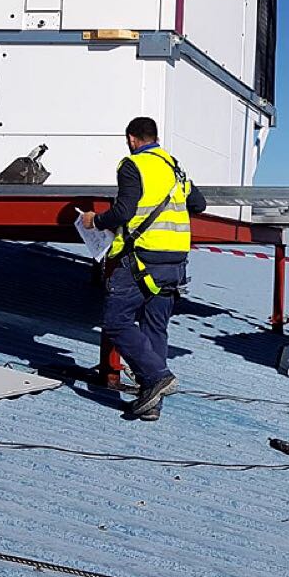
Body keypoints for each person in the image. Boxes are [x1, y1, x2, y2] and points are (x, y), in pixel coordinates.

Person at [79, 116, 206, 421]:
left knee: (115, 321)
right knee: (155, 328)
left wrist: (94, 221)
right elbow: (198, 204)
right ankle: (152, 404)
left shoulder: (132, 165)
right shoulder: (174, 166)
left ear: (133, 139)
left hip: (142, 259)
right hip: (175, 263)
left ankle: (158, 376)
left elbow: (124, 211)